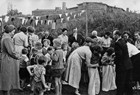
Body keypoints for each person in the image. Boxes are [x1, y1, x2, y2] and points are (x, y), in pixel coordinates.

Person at [0, 25, 20, 95]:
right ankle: (6, 92)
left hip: (5, 58)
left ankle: (5, 92)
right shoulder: (7, 39)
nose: (13, 33)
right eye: (13, 32)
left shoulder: (5, 37)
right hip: (7, 59)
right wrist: (18, 57)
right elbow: (11, 51)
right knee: (7, 78)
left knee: (6, 78)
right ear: (9, 31)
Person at [113, 30, 133, 95]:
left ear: (117, 35)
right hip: (128, 64)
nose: (113, 36)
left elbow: (119, 56)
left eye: (114, 35)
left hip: (122, 66)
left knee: (120, 82)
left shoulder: (117, 43)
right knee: (128, 82)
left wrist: (115, 61)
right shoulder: (123, 41)